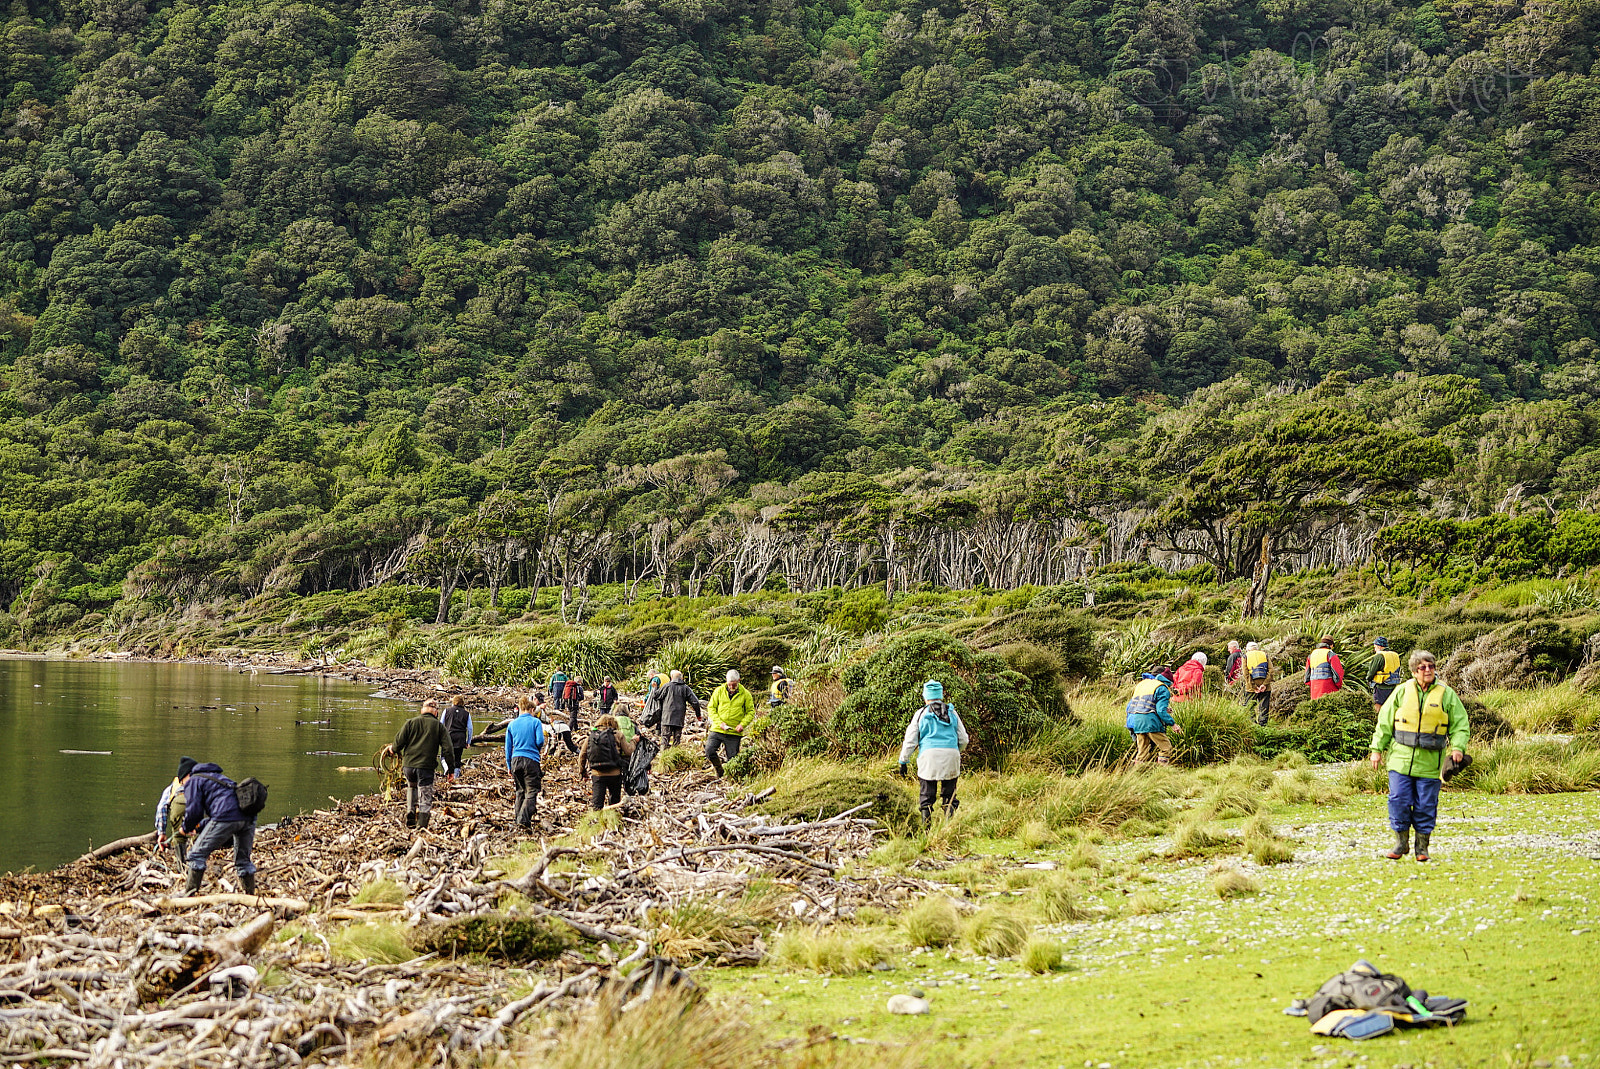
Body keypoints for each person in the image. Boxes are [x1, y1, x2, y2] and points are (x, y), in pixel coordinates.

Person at [1369, 650, 1469, 862]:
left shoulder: (1447, 694)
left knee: (1426, 804)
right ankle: (1401, 843)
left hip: (1431, 763)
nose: (1428, 671)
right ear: (1414, 671)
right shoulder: (1401, 691)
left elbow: (1460, 724)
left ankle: (1422, 847)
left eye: (1431, 666)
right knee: (1398, 800)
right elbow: (1385, 722)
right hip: (1400, 760)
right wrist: (1376, 750)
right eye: (1422, 667)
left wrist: (1458, 748)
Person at [180, 759, 257, 896]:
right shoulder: (219, 778)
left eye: (181, 782)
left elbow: (194, 812)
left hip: (227, 818)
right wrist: (197, 828)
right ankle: (250, 895)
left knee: (195, 855)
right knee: (243, 861)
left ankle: (189, 895)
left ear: (186, 776)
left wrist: (185, 828)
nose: (182, 786)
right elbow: (221, 811)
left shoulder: (193, 781)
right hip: (248, 818)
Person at [897, 679, 969, 823]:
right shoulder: (952, 712)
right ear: (940, 695)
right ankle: (949, 828)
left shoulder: (920, 714)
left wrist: (903, 761)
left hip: (928, 757)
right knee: (949, 795)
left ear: (925, 696)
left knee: (927, 796)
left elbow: (911, 740)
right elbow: (964, 739)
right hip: (951, 756)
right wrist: (955, 750)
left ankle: (926, 832)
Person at [386, 699, 449, 830]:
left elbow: (398, 743)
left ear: (422, 710)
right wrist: (451, 769)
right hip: (426, 766)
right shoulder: (439, 726)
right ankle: (422, 825)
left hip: (409, 766)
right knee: (425, 793)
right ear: (436, 712)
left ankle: (410, 810)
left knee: (412, 786)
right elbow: (448, 749)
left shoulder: (410, 723)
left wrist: (392, 749)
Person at [1125, 664, 1182, 765]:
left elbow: (1140, 704)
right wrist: (1173, 724)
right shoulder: (1163, 688)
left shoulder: (1142, 685)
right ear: (1168, 682)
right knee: (1166, 747)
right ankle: (1162, 772)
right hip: (1151, 722)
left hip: (1137, 721)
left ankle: (1136, 774)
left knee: (1142, 752)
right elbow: (1160, 711)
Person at [505, 694, 546, 832]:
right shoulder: (535, 722)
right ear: (531, 710)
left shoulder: (512, 724)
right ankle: (523, 820)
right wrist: (535, 748)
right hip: (531, 760)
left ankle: (519, 821)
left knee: (520, 791)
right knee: (532, 791)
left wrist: (509, 765)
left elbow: (508, 747)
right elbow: (540, 741)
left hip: (516, 759)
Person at [705, 669, 755, 777]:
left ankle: (731, 778)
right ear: (726, 681)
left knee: (733, 759)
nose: (731, 687)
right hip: (718, 729)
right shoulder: (718, 691)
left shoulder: (746, 694)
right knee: (709, 751)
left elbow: (750, 712)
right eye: (729, 684)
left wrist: (742, 724)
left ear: (739, 681)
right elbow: (711, 708)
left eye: (734, 684)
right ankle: (719, 770)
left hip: (734, 732)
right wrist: (719, 723)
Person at [580, 714, 636, 810]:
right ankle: (613, 819)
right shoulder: (618, 734)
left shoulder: (592, 736)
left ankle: (597, 822)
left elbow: (582, 755)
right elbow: (629, 751)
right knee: (615, 802)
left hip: (597, 774)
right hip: (615, 773)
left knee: (597, 804)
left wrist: (582, 772)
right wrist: (634, 741)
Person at [155, 757, 193, 865]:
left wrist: (161, 832)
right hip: (196, 802)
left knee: (178, 836)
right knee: (198, 834)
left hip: (178, 802)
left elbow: (161, 808)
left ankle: (181, 866)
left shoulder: (172, 787)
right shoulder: (201, 781)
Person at [658, 670, 703, 747]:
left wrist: (654, 688)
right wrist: (698, 715)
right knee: (677, 740)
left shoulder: (666, 686)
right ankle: (675, 756)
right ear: (681, 678)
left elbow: (657, 696)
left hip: (667, 717)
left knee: (665, 739)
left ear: (671, 677)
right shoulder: (685, 688)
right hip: (679, 718)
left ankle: (663, 756)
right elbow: (695, 702)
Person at [1366, 637, 1404, 715]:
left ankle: (1377, 722)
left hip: (1381, 686)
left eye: (1375, 647)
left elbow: (1371, 672)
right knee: (1392, 708)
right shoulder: (1395, 655)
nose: (1375, 649)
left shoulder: (1379, 656)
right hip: (1394, 686)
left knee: (1378, 706)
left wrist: (1368, 679)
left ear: (1379, 646)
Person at [442, 695, 473, 782]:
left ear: (453, 702)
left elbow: (441, 724)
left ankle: (447, 768)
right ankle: (455, 777)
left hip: (448, 737)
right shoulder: (466, 713)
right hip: (460, 738)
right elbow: (470, 728)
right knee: (457, 758)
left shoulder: (447, 711)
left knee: (443, 756)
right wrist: (468, 741)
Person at [1306, 636, 1345, 700]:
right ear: (1331, 645)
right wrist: (1339, 686)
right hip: (1329, 688)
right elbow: (1337, 674)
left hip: (1314, 689)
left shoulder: (1311, 655)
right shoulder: (1330, 654)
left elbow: (1307, 677)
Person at [1244, 641, 1272, 724]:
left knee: (1250, 707)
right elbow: (1271, 670)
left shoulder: (1245, 656)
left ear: (1247, 649)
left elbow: (1246, 673)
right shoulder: (1264, 655)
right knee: (1264, 707)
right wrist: (1264, 684)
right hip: (1265, 687)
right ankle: (1263, 726)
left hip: (1251, 688)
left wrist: (1253, 686)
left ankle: (1253, 725)